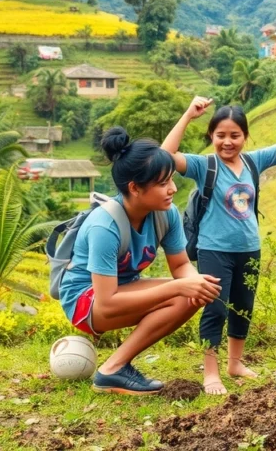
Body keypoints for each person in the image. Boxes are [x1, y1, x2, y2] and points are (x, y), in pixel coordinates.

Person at [162, 94, 276, 395]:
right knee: (215, 309)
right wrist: (187, 115)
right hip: (213, 249)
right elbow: (165, 155)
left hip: (249, 248)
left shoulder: (252, 162)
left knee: (243, 308)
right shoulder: (202, 165)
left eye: (235, 135)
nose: (227, 142)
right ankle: (211, 372)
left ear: (245, 136)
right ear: (211, 136)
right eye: (220, 135)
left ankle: (235, 364)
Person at [58, 127, 222, 395]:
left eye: (171, 179)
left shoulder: (165, 214)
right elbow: (108, 301)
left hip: (122, 291)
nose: (173, 188)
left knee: (191, 294)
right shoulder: (105, 226)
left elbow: (180, 265)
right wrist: (178, 287)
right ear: (134, 188)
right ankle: (113, 370)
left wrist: (198, 285)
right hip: (87, 302)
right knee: (181, 292)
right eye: (162, 183)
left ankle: (114, 367)